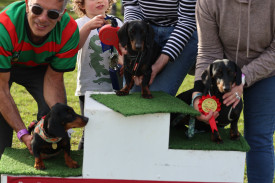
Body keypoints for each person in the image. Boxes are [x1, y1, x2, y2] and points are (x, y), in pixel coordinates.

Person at [193, 0, 275, 182]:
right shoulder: (208, 2)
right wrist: (197, 94)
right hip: (226, 72)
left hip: (269, 70)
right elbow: (208, 52)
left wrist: (243, 78)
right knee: (211, 130)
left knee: (258, 137)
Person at [0, 0, 79, 159]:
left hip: (41, 68)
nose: (43, 18)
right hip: (4, 67)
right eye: (37, 9)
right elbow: (0, 89)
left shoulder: (68, 30)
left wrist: (60, 127)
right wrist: (23, 134)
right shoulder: (4, 26)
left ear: (61, 15)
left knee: (52, 114)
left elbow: (54, 79)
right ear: (27, 5)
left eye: (52, 14)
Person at [72, 0, 123, 150]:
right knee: (90, 129)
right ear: (81, 5)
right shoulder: (79, 24)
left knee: (112, 129)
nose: (100, 1)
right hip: (89, 87)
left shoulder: (117, 22)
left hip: (114, 87)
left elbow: (120, 49)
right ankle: (83, 163)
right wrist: (88, 26)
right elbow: (74, 47)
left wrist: (123, 63)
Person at [122, 0, 198, 96]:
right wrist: (136, 55)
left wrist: (158, 65)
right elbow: (132, 7)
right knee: (133, 94)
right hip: (146, 31)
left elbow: (187, 20)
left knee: (157, 95)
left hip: (183, 32)